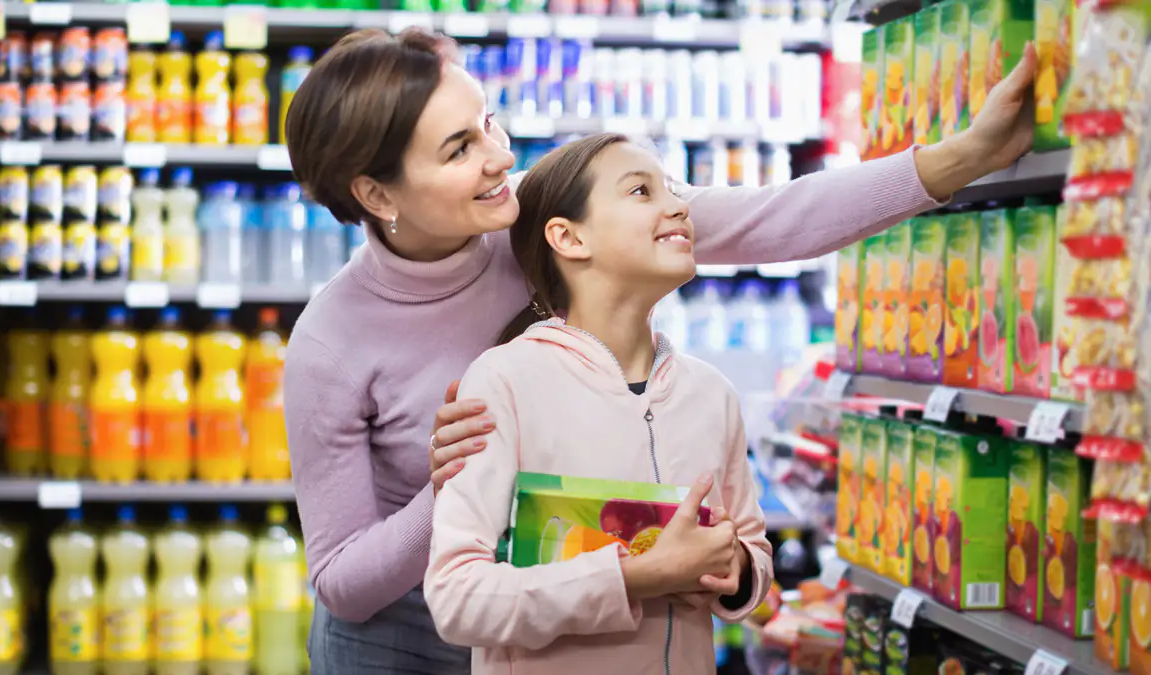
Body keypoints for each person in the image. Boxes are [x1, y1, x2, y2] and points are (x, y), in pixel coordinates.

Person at [282, 26, 1037, 674]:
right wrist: (452, 483)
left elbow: (773, 218)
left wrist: (965, 155)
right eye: (459, 148)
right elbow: (343, 579)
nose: (499, 155)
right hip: (399, 640)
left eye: (488, 122)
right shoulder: (331, 340)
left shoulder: (529, 227)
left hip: (557, 612)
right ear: (378, 195)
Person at [424, 132, 773, 674]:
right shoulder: (506, 381)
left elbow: (751, 548)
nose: (679, 206)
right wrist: (636, 576)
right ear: (568, 237)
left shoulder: (712, 394)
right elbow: (457, 598)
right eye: (641, 191)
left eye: (673, 190)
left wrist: (735, 567)